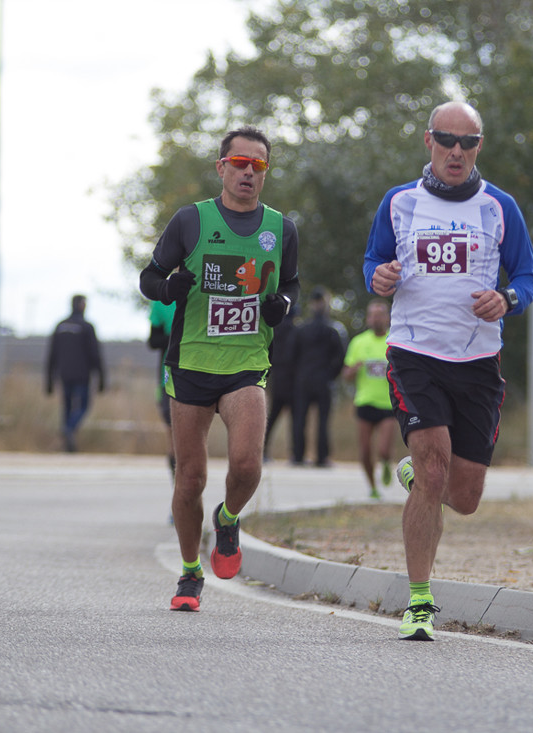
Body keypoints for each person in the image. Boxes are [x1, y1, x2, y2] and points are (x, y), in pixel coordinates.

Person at [364, 100, 533, 640]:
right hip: (414, 355)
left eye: (467, 142)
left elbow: (529, 276)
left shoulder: (500, 207)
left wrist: (507, 298)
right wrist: (379, 277)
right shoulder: (399, 202)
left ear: (479, 146)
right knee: (434, 469)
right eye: (446, 140)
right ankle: (419, 601)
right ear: (429, 141)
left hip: (478, 362)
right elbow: (373, 262)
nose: (456, 151)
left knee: (463, 497)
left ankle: (418, 477)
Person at [138, 125, 300, 612]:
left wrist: (282, 305)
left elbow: (290, 284)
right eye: (239, 163)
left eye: (258, 165)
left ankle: (227, 518)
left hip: (246, 362)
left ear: (265, 172)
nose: (248, 172)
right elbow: (150, 277)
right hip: (191, 361)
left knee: (247, 465)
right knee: (189, 479)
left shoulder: (281, 230)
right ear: (222, 167)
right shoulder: (191, 221)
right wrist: (170, 288)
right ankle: (191, 572)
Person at [342, 298, 396, 498]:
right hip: (365, 401)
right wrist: (354, 369)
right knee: (365, 451)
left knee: (383, 450)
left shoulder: (394, 341)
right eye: (372, 315)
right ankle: (373, 488)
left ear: (388, 318)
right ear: (367, 318)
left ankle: (386, 462)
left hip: (388, 403)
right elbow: (346, 375)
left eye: (380, 315)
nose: (376, 319)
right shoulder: (359, 342)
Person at [290, 287, 346, 467]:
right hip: (323, 381)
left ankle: (297, 456)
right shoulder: (333, 329)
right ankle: (321, 458)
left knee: (300, 419)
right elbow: (340, 357)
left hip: (303, 380)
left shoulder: (302, 329)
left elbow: (292, 356)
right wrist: (330, 376)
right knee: (321, 420)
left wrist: (298, 375)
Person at [45, 294, 106, 452]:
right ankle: (69, 429)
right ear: (81, 305)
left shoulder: (60, 326)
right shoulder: (86, 327)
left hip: (64, 374)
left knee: (67, 407)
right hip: (82, 375)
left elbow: (52, 354)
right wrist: (101, 377)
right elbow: (95, 354)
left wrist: (49, 380)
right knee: (83, 406)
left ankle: (68, 440)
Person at [148, 299, 177, 523]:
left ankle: (188, 498)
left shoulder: (210, 288)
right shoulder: (162, 299)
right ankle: (180, 500)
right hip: (169, 378)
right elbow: (153, 340)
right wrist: (178, 334)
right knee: (174, 442)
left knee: (193, 441)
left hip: (205, 376)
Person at [262, 307, 299, 462]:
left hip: (277, 379)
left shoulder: (275, 329)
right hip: (292, 381)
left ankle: (262, 450)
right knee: (296, 420)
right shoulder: (296, 331)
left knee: (271, 418)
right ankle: (296, 454)